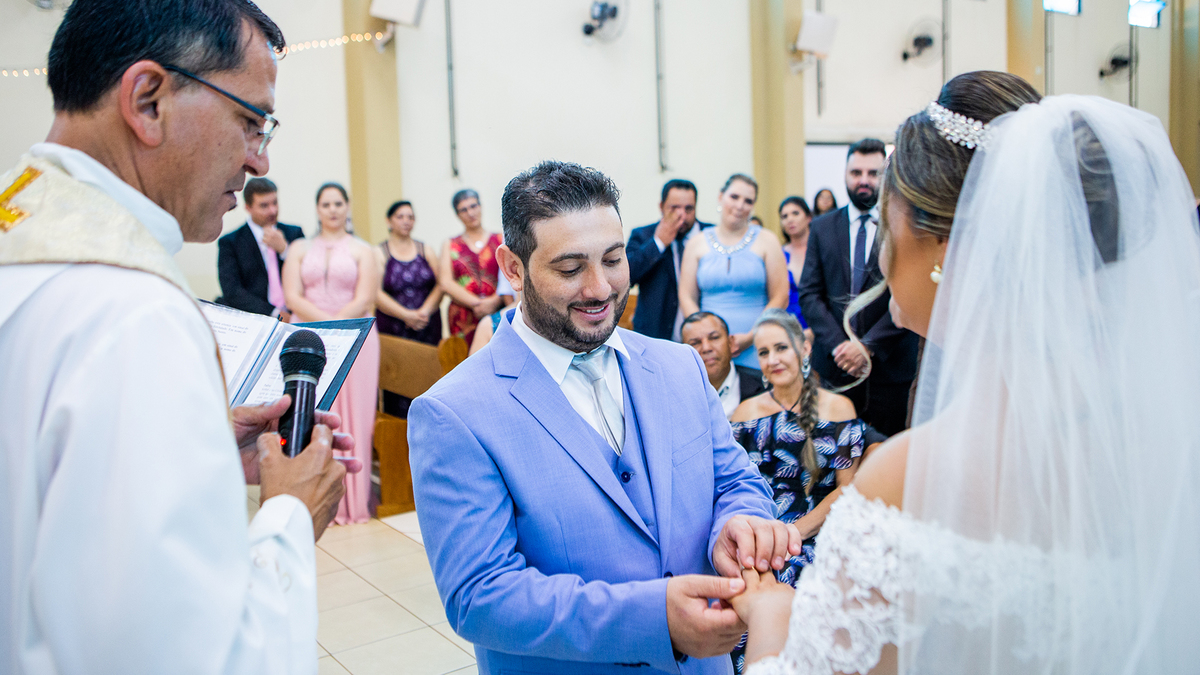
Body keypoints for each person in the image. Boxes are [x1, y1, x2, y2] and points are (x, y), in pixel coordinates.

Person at [731, 72, 1200, 674]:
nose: (882, 249)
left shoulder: (907, 477)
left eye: (891, 216)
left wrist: (772, 617)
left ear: (943, 248)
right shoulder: (1151, 446)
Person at [0, 1, 360, 672]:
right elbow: (184, 656)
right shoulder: (136, 314)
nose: (259, 159)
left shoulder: (24, 246)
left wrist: (200, 444)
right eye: (251, 121)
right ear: (148, 100)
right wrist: (290, 513)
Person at [409, 160, 805, 675]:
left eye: (613, 260)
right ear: (513, 268)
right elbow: (480, 595)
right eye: (570, 269)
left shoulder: (680, 366)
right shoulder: (454, 412)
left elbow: (733, 480)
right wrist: (652, 619)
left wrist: (741, 521)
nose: (600, 289)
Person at [727, 309, 868, 673]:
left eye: (781, 348)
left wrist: (795, 532)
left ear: (804, 349)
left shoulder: (838, 408)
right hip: (759, 532)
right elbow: (730, 485)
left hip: (818, 530)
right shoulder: (744, 414)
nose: (772, 359)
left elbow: (846, 490)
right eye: (763, 352)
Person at [798, 140, 919, 436]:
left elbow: (910, 292)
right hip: (835, 367)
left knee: (889, 450)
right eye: (856, 172)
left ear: (885, 176)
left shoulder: (905, 224)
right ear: (845, 174)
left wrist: (866, 346)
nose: (863, 180)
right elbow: (810, 294)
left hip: (890, 368)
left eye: (872, 173)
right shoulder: (822, 227)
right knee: (835, 451)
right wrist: (841, 346)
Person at [283, 182, 380, 525]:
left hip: (355, 338)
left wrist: (338, 327)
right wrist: (324, 327)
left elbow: (365, 298)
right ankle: (309, 498)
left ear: (347, 206)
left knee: (355, 419)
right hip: (309, 337)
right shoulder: (298, 248)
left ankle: (352, 502)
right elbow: (292, 296)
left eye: (338, 203)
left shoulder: (363, 250)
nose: (333, 210)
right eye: (326, 204)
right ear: (317, 209)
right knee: (309, 413)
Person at [679, 174, 788, 370]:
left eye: (748, 201)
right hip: (708, 349)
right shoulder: (696, 243)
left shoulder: (768, 240)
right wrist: (707, 338)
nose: (740, 205)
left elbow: (780, 296)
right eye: (734, 197)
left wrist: (752, 335)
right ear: (721, 197)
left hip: (756, 343)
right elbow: (686, 296)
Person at [627, 178, 709, 340]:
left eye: (689, 209)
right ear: (661, 206)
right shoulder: (643, 235)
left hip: (704, 335)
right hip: (656, 335)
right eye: (674, 208)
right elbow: (627, 276)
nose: (682, 215)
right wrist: (658, 242)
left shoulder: (710, 235)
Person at [217, 177, 305, 318]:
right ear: (248, 207)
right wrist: (275, 314)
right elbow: (232, 291)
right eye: (264, 206)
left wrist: (285, 250)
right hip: (254, 317)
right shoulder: (230, 242)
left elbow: (310, 275)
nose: (273, 210)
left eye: (275, 203)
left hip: (297, 314)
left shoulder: (294, 233)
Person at [440, 188, 504, 344]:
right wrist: (477, 304)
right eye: (464, 210)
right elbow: (446, 282)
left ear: (480, 206)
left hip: (497, 311)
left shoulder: (500, 239)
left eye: (473, 206)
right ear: (457, 214)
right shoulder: (451, 244)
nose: (470, 213)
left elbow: (511, 274)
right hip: (462, 317)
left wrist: (494, 301)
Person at [374, 200, 443, 345]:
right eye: (400, 217)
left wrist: (424, 312)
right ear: (388, 220)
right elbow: (376, 293)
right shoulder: (379, 252)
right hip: (392, 326)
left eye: (410, 217)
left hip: (427, 323)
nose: (406, 221)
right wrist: (406, 315)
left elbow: (441, 284)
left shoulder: (426, 249)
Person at [681, 311, 765, 419]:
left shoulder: (765, 386)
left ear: (731, 343)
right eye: (695, 343)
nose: (706, 348)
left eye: (714, 337)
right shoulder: (675, 394)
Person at [777, 196, 811, 338]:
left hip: (820, 325)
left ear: (808, 217)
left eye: (795, 213)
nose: (790, 219)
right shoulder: (778, 254)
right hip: (788, 328)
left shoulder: (821, 251)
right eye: (784, 216)